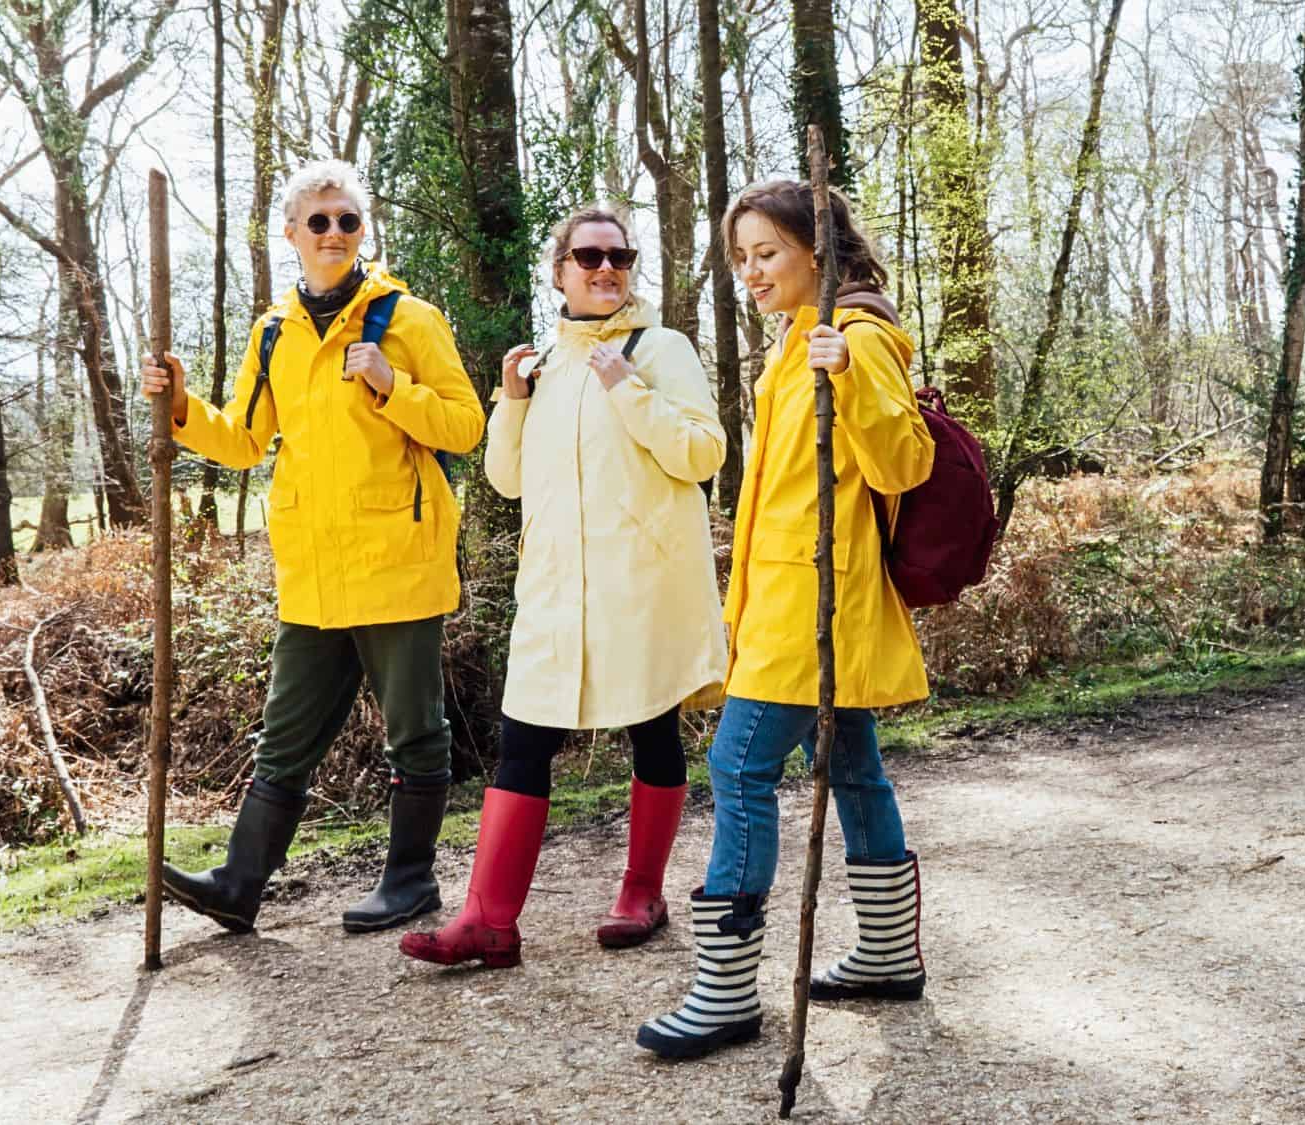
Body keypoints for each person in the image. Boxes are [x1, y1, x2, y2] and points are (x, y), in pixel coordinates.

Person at [141, 160, 485, 935]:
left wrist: (395, 385)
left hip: (398, 558)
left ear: (365, 231)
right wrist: (183, 404)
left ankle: (411, 882)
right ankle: (238, 883)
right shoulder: (272, 334)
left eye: (348, 220)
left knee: (415, 730)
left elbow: (466, 426)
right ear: (291, 233)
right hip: (314, 571)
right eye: (319, 221)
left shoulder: (410, 318)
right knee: (285, 732)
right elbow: (244, 439)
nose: (335, 233)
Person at [636, 181, 936, 1061]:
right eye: (742, 258)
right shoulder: (791, 342)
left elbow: (904, 463)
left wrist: (853, 375)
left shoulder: (859, 336)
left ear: (816, 248)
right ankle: (886, 953)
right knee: (853, 766)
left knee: (737, 764)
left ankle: (725, 991)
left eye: (767, 252)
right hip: (781, 599)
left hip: (817, 604)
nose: (752, 272)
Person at [398, 206, 727, 969]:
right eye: (589, 256)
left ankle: (642, 893)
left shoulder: (661, 348)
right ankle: (488, 919)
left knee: (651, 728)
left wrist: (627, 389)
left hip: (641, 584)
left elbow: (703, 453)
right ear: (560, 270)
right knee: (524, 738)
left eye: (620, 256)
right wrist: (511, 400)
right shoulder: (543, 362)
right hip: (554, 590)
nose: (606, 267)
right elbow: (506, 479)